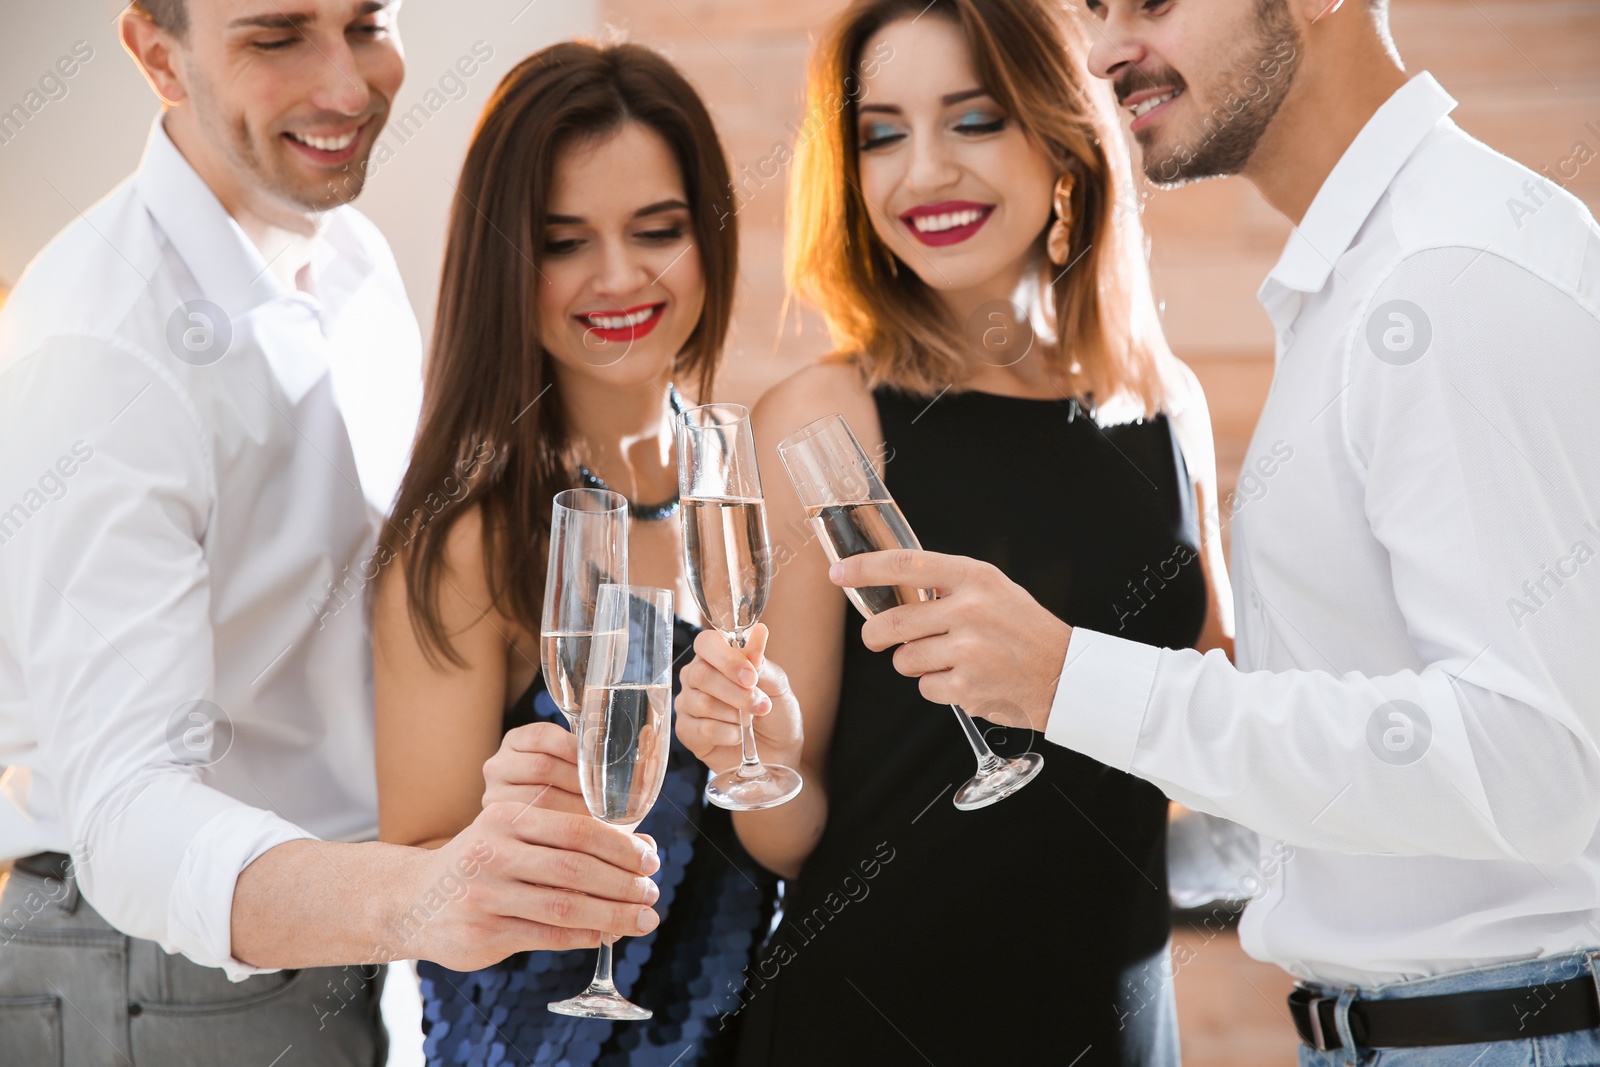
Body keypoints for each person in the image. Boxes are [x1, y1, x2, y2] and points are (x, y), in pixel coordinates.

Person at [824, 0, 1600, 1062]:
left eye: (1148, 2)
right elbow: (1356, 760)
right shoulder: (1365, 281)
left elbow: (1539, 766)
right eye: (1092, 14)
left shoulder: (1441, 275)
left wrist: (1067, 679)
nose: (1100, 55)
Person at [0, 3, 661, 1064]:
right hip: (155, 977)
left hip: (341, 945)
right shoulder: (100, 344)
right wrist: (428, 895)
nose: (348, 88)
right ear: (156, 53)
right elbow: (123, 818)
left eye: (366, 22)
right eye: (276, 37)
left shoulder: (350, 258)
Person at [675, 1, 1233, 1062]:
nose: (920, 171)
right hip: (872, 1025)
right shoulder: (825, 417)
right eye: (880, 133)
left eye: (971, 120)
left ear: (1061, 133)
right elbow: (789, 835)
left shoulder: (1167, 402)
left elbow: (1221, 721)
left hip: (1114, 1026)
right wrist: (762, 743)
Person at [371, 42, 778, 1067]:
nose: (618, 276)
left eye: (658, 230)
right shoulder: (471, 536)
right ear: (507, 261)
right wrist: (502, 827)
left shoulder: (739, 495)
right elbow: (415, 877)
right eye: (563, 241)